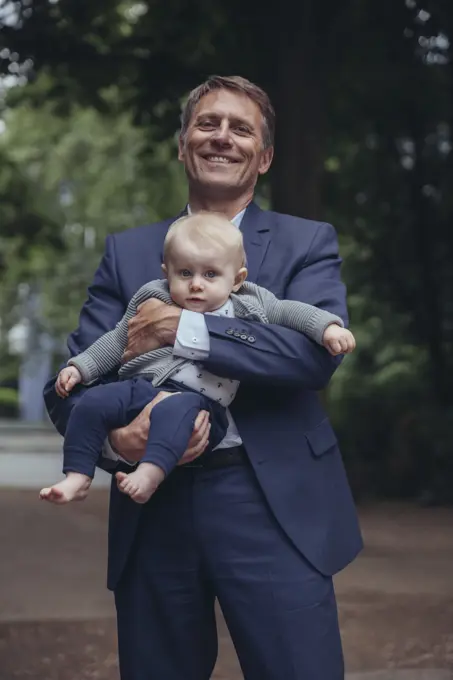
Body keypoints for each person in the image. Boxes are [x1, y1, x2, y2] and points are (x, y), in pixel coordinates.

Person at [44, 75, 363, 679]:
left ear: (263, 156)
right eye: (207, 124)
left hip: (272, 506)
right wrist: (117, 441)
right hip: (153, 504)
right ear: (184, 144)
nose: (222, 138)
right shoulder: (128, 253)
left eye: (241, 129)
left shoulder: (306, 242)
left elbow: (310, 357)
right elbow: (69, 385)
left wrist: (178, 330)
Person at [40, 213, 355, 505]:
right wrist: (80, 368)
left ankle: (150, 474)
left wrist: (327, 328)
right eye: (185, 273)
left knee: (174, 412)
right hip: (141, 386)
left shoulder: (249, 301)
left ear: (236, 279)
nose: (196, 284)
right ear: (167, 272)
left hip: (199, 401)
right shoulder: (153, 294)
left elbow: (291, 313)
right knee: (94, 402)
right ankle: (78, 475)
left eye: (210, 275)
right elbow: (117, 339)